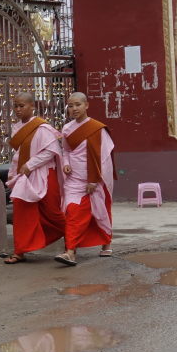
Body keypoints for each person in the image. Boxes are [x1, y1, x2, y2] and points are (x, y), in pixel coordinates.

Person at [3, 92, 65, 264]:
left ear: (32, 106)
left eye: (21, 106)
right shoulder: (17, 127)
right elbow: (18, 154)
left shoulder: (42, 127)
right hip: (24, 175)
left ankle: (72, 238)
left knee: (52, 212)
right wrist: (15, 172)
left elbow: (51, 151)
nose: (17, 109)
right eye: (15, 105)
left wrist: (30, 165)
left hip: (44, 172)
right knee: (21, 210)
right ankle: (20, 251)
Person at [55, 92, 114, 266]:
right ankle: (70, 252)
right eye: (70, 105)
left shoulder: (97, 128)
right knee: (72, 212)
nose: (74, 109)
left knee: (100, 211)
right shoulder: (67, 128)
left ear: (86, 105)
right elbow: (65, 150)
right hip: (73, 178)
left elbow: (103, 157)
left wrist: (94, 180)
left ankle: (106, 243)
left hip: (93, 178)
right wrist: (65, 162)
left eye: (77, 105)